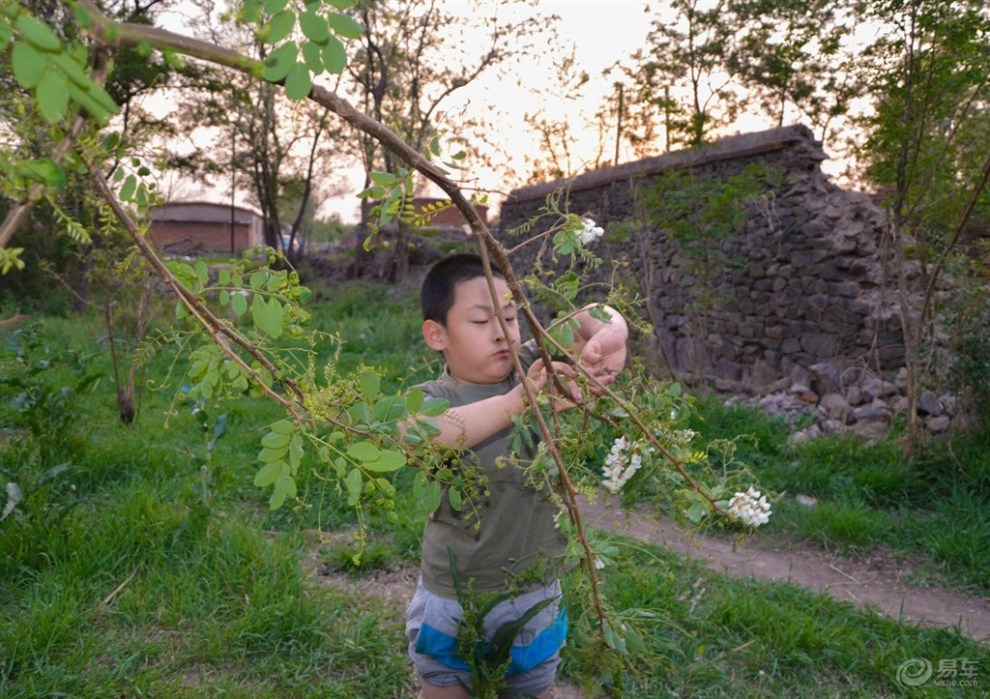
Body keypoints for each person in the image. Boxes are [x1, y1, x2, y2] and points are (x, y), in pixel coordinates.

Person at [405, 253, 628, 699]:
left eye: (511, 314)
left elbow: (593, 317)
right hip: (453, 599)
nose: (503, 330)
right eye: (482, 319)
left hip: (534, 595)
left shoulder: (537, 361)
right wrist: (522, 403)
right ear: (437, 335)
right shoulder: (430, 399)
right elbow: (421, 435)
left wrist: (609, 337)